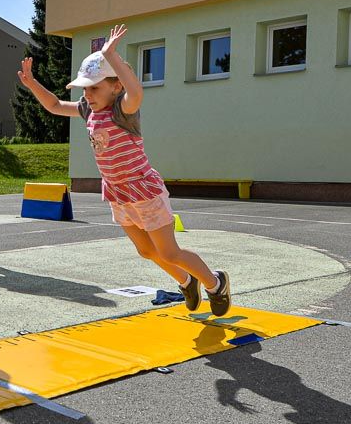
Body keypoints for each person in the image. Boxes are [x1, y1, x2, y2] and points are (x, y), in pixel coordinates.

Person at [16, 24, 233, 316]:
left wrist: (110, 55)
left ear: (115, 86)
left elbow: (136, 90)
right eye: (86, 88)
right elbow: (54, 105)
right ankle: (186, 281)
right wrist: (32, 84)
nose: (88, 94)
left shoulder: (124, 110)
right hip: (118, 193)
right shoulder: (87, 110)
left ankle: (215, 283)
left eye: (95, 87)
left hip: (144, 190)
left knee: (169, 251)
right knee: (146, 251)